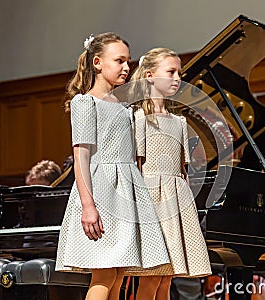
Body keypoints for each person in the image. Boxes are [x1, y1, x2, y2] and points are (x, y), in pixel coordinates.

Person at [54, 33, 170, 300]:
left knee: (117, 274)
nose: (127, 67)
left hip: (126, 193)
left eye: (128, 62)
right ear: (97, 62)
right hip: (102, 192)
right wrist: (88, 205)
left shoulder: (125, 107)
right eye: (119, 61)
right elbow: (81, 155)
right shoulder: (86, 102)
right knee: (104, 274)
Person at [130, 48, 212, 299]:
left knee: (167, 276)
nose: (178, 77)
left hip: (176, 199)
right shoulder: (139, 117)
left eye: (180, 72)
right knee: (153, 273)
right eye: (171, 71)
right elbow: (137, 165)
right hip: (151, 199)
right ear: (150, 76)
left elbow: (182, 169)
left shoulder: (179, 122)